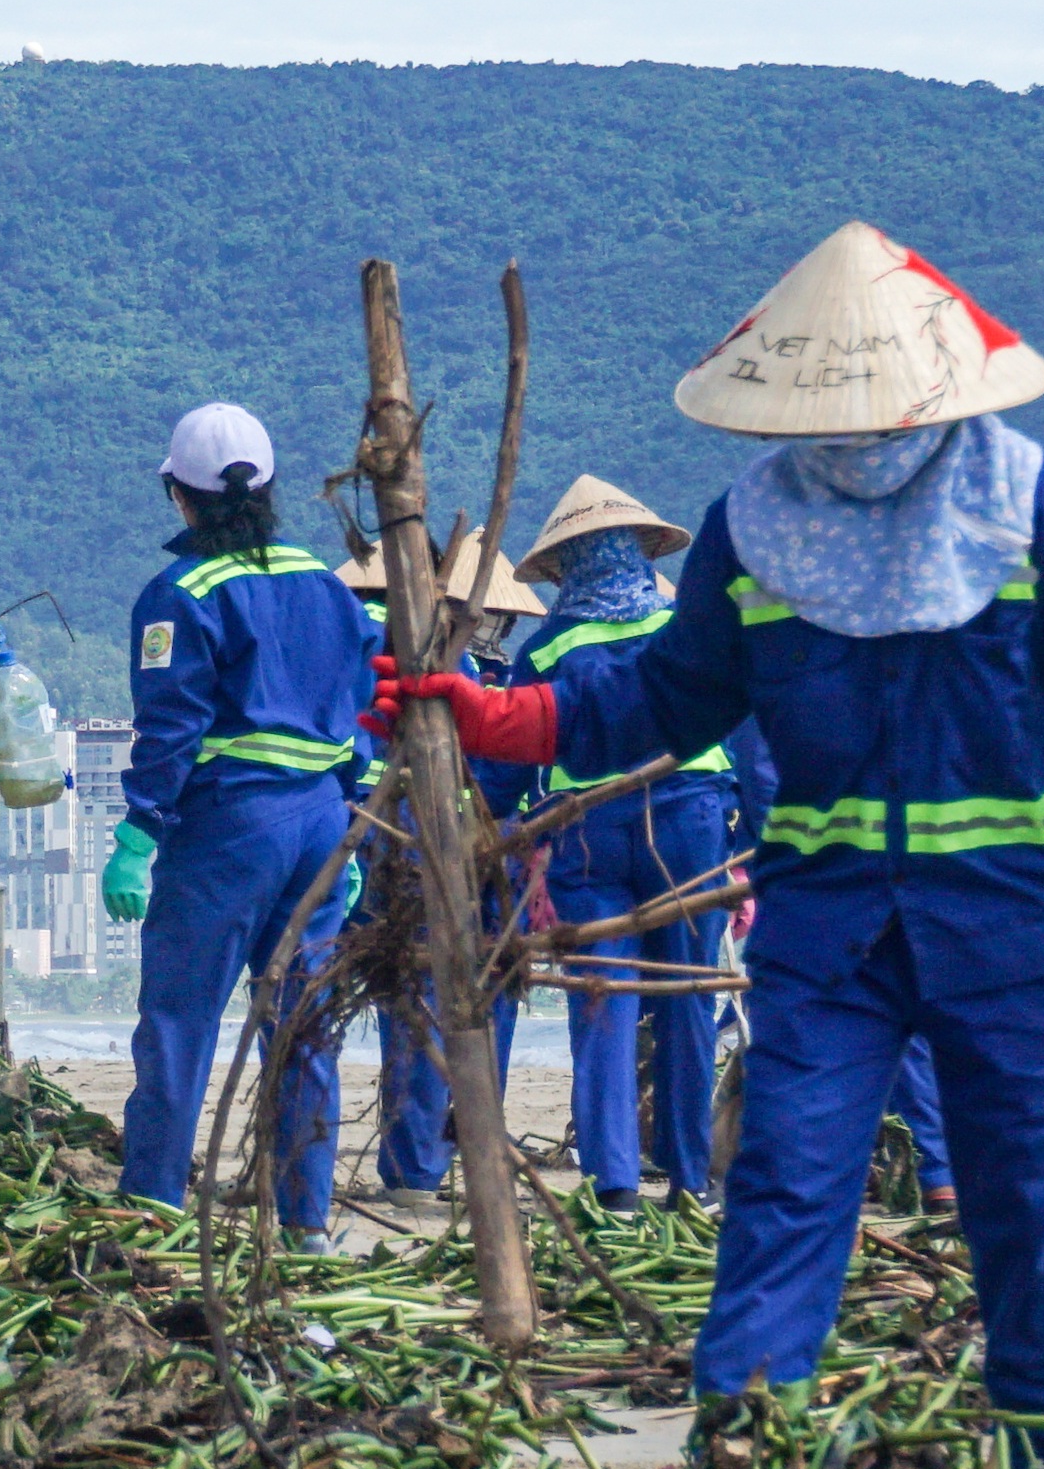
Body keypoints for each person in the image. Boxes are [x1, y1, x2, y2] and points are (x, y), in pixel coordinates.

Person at [380, 223, 1044, 1448]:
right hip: (829, 925)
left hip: (1018, 918)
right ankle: (744, 1448)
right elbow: (658, 699)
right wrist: (499, 716)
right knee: (785, 1184)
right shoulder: (752, 530)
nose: (854, 437)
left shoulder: (1041, 511)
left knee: (1029, 1203)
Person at [103, 402, 379, 1235]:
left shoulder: (179, 592)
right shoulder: (330, 589)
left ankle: (153, 1209)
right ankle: (304, 1225)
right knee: (302, 1028)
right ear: (268, 489)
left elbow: (171, 722)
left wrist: (137, 830)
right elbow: (360, 711)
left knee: (181, 1022)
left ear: (175, 493)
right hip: (322, 826)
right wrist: (354, 815)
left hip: (230, 828)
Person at [512, 475, 742, 1211]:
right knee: (686, 997)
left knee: (601, 1002)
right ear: (640, 554)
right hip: (689, 819)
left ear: (567, 565)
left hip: (584, 832)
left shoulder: (546, 646)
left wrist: (507, 840)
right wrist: (759, 848)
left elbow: (509, 751)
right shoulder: (686, 633)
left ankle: (612, 1184)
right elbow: (745, 731)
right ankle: (689, 1178)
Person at [352, 527, 544, 1195]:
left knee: (403, 994)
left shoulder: (466, 662)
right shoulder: (434, 653)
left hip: (379, 830)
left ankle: (407, 1162)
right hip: (437, 835)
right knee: (446, 990)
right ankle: (442, 1152)